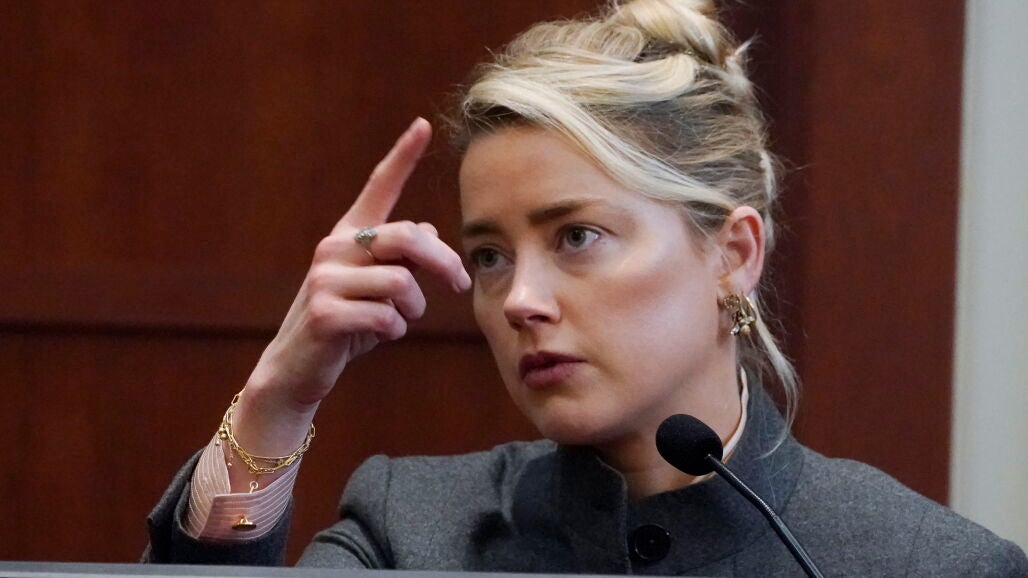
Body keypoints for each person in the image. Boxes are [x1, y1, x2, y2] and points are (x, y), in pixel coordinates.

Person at [145, 0, 1028, 575]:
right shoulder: (413, 529)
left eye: (577, 237)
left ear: (733, 254)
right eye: (490, 255)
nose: (520, 299)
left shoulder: (925, 562)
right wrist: (280, 397)